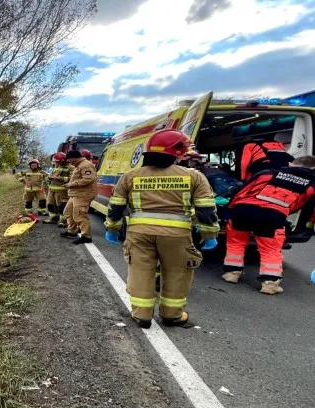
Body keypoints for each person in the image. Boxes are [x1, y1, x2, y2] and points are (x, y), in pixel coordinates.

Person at [104, 129, 220, 328]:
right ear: (178, 152)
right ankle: (172, 315)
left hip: (139, 234)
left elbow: (116, 207)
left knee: (141, 271)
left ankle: (141, 315)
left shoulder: (131, 176)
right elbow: (206, 209)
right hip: (177, 235)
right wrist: (209, 234)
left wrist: (112, 229)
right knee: (177, 273)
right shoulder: (194, 177)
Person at [222, 155, 315, 294]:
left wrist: (229, 210)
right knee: (270, 250)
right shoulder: (311, 186)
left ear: (290, 164)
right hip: (272, 216)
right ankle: (270, 284)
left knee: (236, 243)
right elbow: (300, 206)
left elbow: (240, 192)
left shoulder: (267, 173)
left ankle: (232, 274)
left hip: (242, 211)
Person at [60, 150, 98, 244]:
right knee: (67, 212)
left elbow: (88, 179)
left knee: (80, 215)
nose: (69, 162)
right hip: (76, 194)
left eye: (69, 160)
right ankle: (72, 231)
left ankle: (86, 236)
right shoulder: (78, 165)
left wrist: (71, 184)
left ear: (74, 158)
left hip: (83, 195)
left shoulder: (85, 165)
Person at [43, 152, 73, 224]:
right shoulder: (57, 167)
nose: (57, 163)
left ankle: (63, 221)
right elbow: (51, 175)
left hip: (62, 191)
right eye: (56, 162)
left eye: (58, 162)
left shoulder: (71, 167)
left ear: (63, 160)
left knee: (61, 206)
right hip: (52, 189)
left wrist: (60, 178)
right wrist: (49, 178)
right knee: (50, 205)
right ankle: (53, 218)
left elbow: (72, 179)